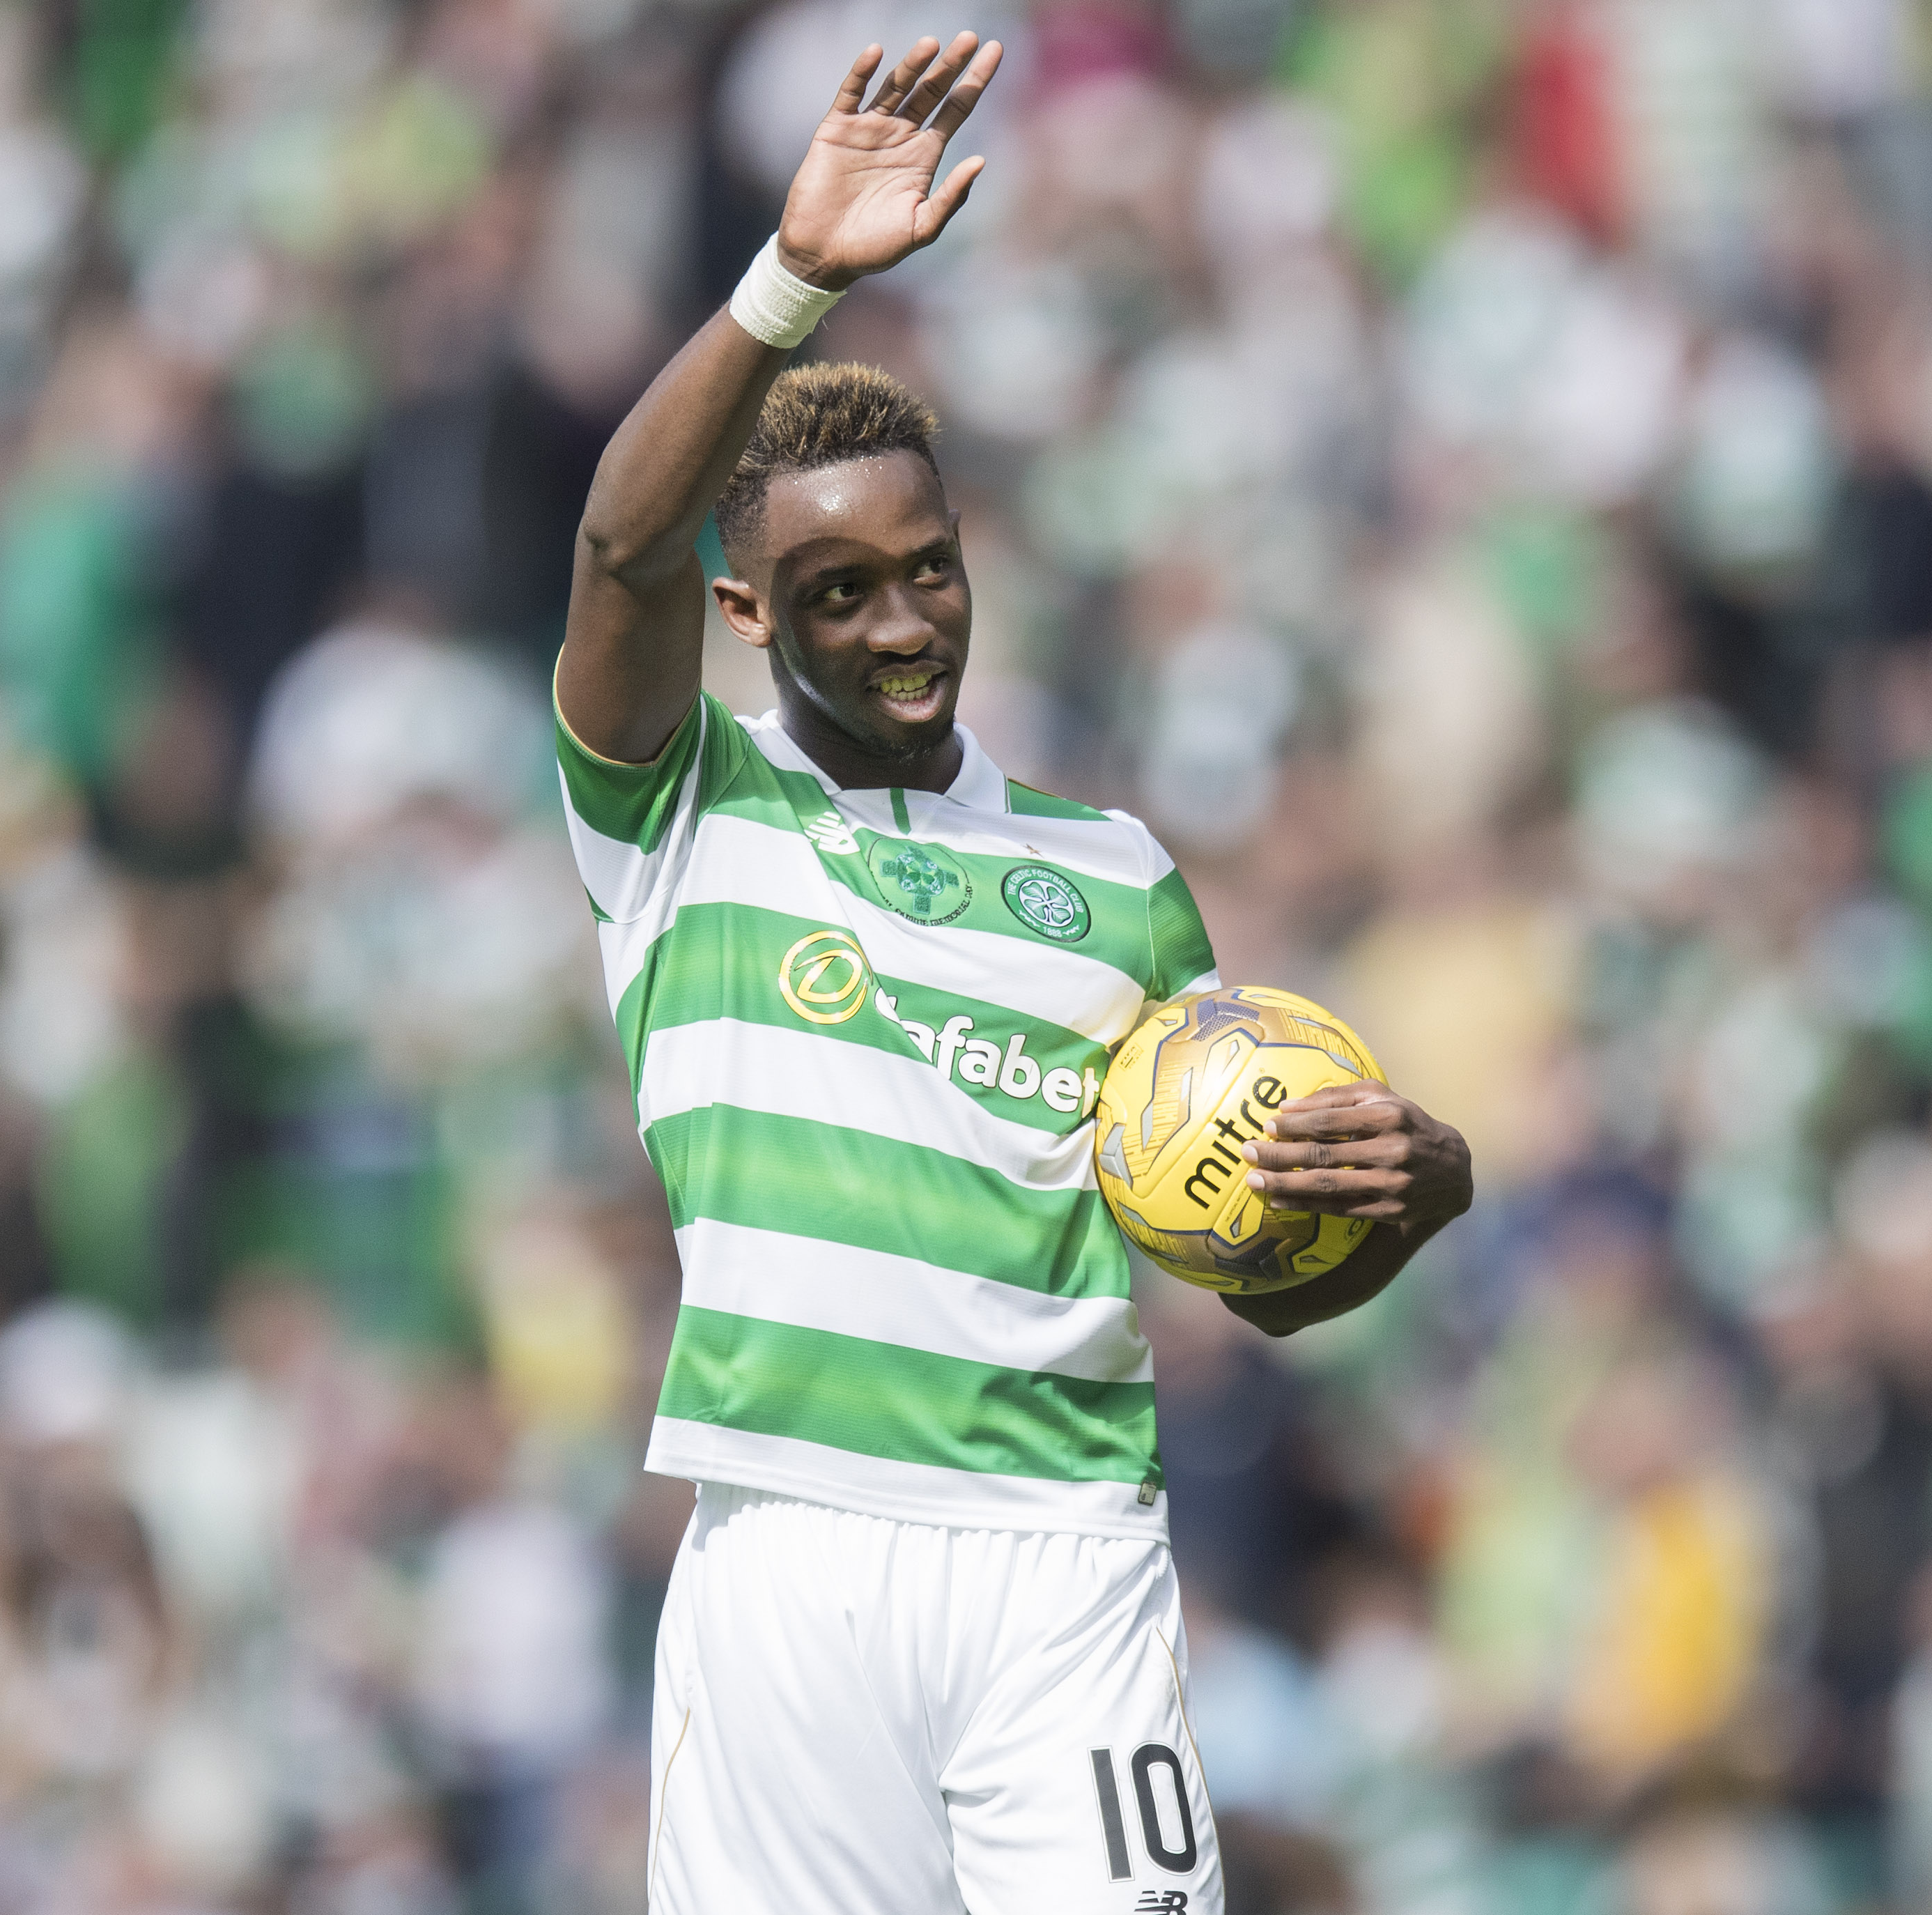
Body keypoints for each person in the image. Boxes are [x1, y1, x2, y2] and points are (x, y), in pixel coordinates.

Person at [550, 33, 1474, 1914]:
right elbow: (619, 536)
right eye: (835, 593)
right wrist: (789, 280)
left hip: (1064, 1557)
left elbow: (1253, 1266)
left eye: (930, 571)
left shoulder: (1116, 878)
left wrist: (1409, 1196)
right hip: (787, 1557)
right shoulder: (679, 815)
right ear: (747, 612)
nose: (903, 626)